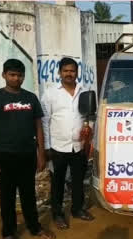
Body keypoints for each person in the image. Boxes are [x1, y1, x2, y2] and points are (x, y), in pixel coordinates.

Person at [0, 58, 55, 239]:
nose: (16, 78)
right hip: (4, 156)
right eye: (12, 75)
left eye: (20, 75)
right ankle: (8, 232)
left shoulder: (31, 98)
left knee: (28, 194)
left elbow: (38, 126)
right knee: (7, 197)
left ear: (23, 77)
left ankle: (34, 227)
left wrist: (41, 154)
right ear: (4, 75)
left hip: (27, 155)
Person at [41, 57, 94, 229]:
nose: (69, 74)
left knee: (78, 180)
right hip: (58, 146)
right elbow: (45, 121)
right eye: (65, 71)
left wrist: (88, 128)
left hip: (78, 145)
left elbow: (89, 115)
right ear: (59, 73)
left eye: (72, 71)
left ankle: (77, 209)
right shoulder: (50, 93)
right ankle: (57, 214)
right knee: (57, 182)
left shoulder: (84, 91)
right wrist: (47, 147)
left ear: (77, 72)